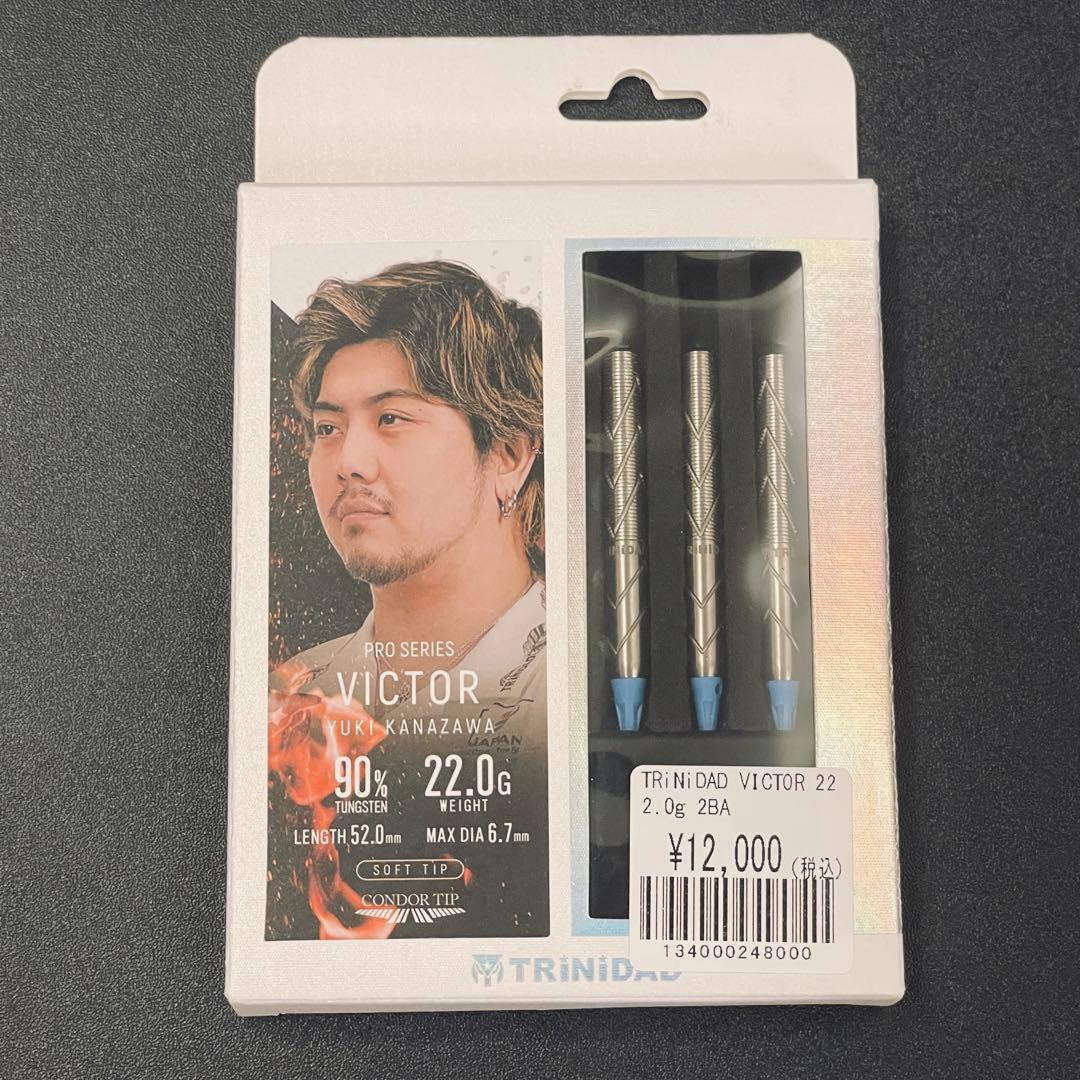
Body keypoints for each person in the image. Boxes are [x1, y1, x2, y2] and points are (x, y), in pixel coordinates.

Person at [268, 260, 549, 939]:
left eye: (391, 418)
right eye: (327, 428)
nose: (348, 461)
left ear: (509, 453)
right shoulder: (286, 698)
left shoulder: (579, 694)